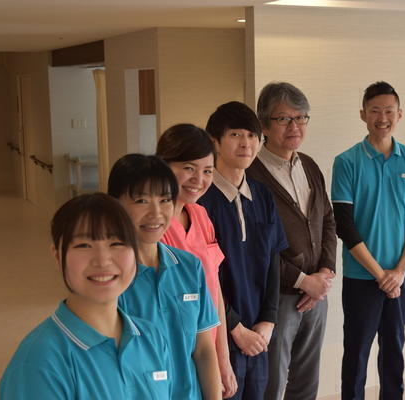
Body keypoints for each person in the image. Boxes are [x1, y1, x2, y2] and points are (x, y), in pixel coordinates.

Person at [0, 193, 173, 399]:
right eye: (83, 245)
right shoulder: (38, 362)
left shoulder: (151, 337)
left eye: (117, 243)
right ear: (57, 256)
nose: (102, 260)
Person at [331, 82, 405, 400]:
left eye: (389, 111)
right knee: (356, 352)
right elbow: (345, 226)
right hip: (361, 276)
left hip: (401, 276)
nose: (382, 117)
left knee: (394, 350)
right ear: (363, 115)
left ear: (399, 115)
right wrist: (380, 274)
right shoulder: (347, 162)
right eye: (375, 111)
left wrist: (398, 272)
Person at [246, 82, 336, 400]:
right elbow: (257, 247)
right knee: (272, 381)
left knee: (306, 381)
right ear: (264, 125)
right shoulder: (252, 175)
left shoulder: (308, 165)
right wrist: (302, 281)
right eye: (284, 119)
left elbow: (328, 220)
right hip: (278, 297)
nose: (294, 126)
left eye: (301, 118)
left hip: (317, 293)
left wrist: (325, 272)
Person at [108, 154, 221, 400]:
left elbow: (203, 350)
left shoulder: (189, 267)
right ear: (115, 205)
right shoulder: (108, 278)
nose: (156, 213)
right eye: (141, 200)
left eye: (165, 200)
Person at [198, 101, 288, 400]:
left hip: (259, 333)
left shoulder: (263, 195)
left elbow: (274, 259)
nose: (246, 143)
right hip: (220, 335)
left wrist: (269, 320)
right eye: (235, 134)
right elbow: (204, 277)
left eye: (252, 136)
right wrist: (235, 328)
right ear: (215, 141)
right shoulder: (202, 202)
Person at [156, 123, 237, 399]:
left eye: (207, 171)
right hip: (171, 354)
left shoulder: (200, 215)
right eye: (188, 168)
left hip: (206, 350)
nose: (198, 179)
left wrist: (223, 358)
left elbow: (214, 291)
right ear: (163, 166)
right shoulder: (153, 227)